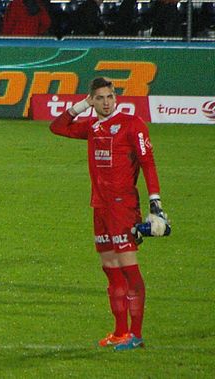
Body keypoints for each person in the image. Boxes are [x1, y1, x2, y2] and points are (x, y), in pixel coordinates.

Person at [49, 77, 170, 351]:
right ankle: (119, 332)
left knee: (129, 270)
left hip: (123, 207)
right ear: (93, 100)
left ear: (116, 98)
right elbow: (57, 127)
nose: (106, 103)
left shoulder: (132, 124)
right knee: (111, 271)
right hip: (100, 206)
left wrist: (155, 202)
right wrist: (81, 106)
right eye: (100, 98)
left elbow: (148, 163)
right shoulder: (93, 127)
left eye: (109, 97)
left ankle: (135, 335)